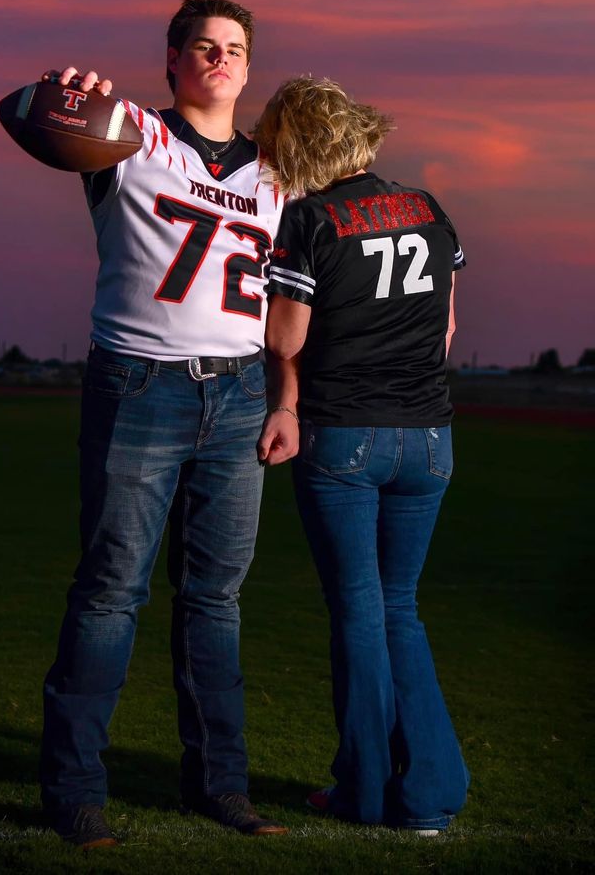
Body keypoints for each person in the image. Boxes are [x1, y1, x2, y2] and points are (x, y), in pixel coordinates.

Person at [36, 0, 288, 848]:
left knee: (216, 601)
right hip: (141, 383)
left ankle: (219, 786)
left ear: (250, 67)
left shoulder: (276, 173)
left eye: (234, 48)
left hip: (241, 392)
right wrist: (66, 92)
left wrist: (287, 399)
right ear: (173, 60)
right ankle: (75, 790)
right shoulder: (127, 135)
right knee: (111, 593)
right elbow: (44, 111)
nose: (220, 59)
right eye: (203, 46)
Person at [255, 77, 469, 834]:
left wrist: (283, 390)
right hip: (431, 439)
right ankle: (430, 791)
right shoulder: (429, 210)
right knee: (400, 609)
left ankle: (368, 790)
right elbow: (444, 330)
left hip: (345, 433)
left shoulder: (310, 218)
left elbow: (285, 340)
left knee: (358, 610)